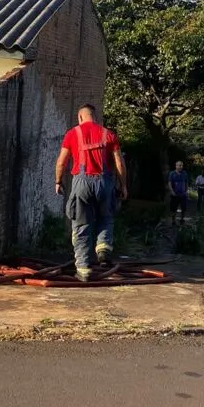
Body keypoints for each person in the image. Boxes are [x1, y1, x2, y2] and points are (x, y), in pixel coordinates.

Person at [55, 104, 128, 282]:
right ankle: (103, 251)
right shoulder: (108, 134)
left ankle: (83, 268)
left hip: (81, 183)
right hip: (105, 183)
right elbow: (119, 163)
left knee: (81, 224)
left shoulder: (73, 134)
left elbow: (61, 162)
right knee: (106, 217)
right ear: (94, 117)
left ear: (80, 117)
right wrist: (123, 185)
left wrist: (58, 181)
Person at [168, 160, 189, 225]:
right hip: (175, 194)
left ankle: (182, 219)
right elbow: (169, 183)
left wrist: (186, 191)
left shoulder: (185, 173)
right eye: (179, 165)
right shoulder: (172, 173)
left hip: (183, 194)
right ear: (176, 166)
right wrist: (172, 191)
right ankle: (173, 220)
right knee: (173, 208)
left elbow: (186, 183)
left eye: (181, 165)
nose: (180, 166)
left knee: (184, 208)